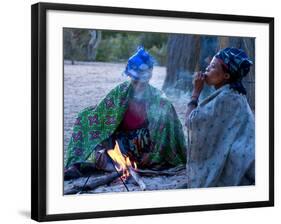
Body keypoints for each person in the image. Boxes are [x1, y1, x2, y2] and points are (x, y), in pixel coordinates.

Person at [64, 47, 186, 179]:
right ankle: (76, 166)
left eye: (142, 78)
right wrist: (106, 142)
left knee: (164, 119)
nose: (138, 83)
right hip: (121, 146)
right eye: (135, 78)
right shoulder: (120, 92)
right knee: (84, 117)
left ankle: (119, 167)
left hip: (146, 150)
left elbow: (166, 133)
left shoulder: (160, 101)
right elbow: (101, 115)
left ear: (150, 75)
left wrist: (150, 153)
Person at [185, 47, 255, 188]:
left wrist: (195, 92)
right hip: (244, 161)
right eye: (208, 65)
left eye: (212, 66)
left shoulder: (225, 98)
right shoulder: (234, 94)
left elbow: (190, 122)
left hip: (239, 168)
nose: (206, 69)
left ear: (226, 76)